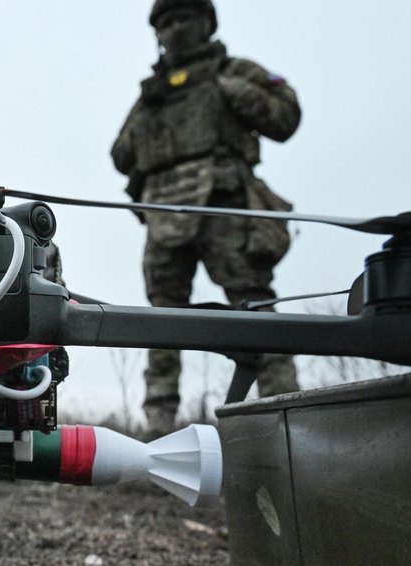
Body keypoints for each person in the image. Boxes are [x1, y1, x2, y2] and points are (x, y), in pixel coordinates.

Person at [111, 0, 301, 436]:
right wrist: (151, 114)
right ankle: (158, 428)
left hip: (224, 203)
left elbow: (286, 116)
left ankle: (285, 416)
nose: (175, 28)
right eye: (166, 22)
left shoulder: (234, 71)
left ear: (206, 23)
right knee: (162, 321)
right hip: (164, 214)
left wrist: (228, 90)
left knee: (254, 308)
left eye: (184, 18)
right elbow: (120, 155)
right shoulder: (152, 92)